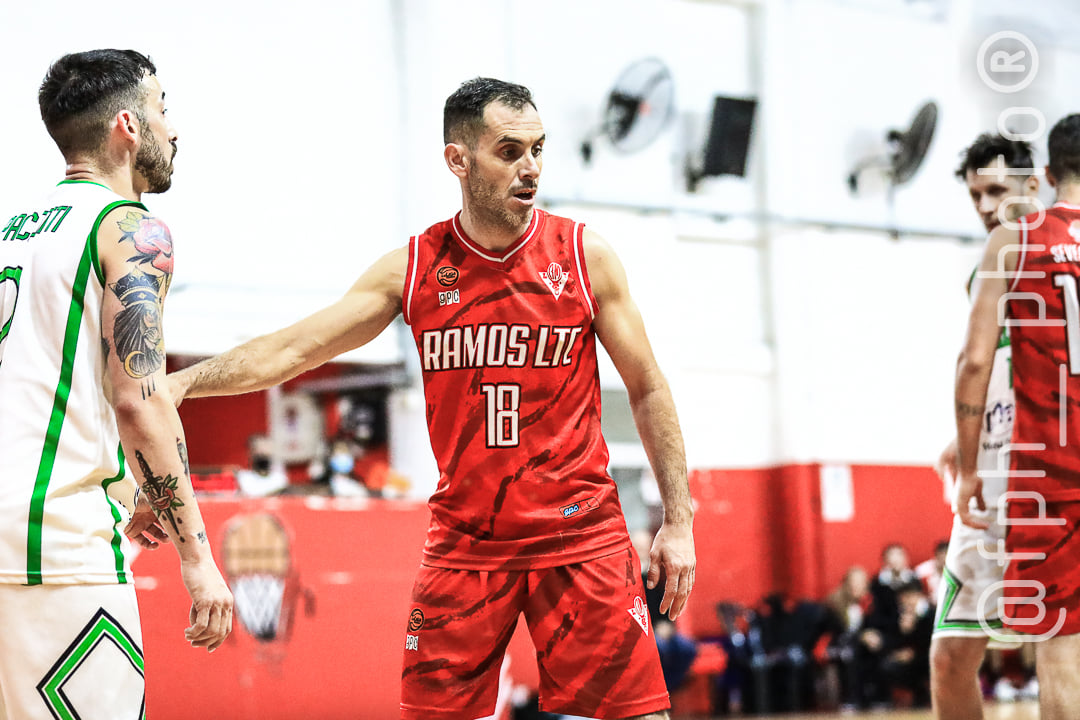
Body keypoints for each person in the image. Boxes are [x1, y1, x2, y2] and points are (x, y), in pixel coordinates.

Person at [168, 77, 695, 720]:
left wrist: (679, 519)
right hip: (465, 545)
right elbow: (295, 349)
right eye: (509, 151)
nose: (530, 168)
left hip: (580, 538)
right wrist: (187, 380)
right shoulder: (414, 268)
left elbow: (647, 387)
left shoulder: (585, 257)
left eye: (538, 149)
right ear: (458, 160)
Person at [0, 49, 232, 718]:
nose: (174, 129)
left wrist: (135, 488)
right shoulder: (129, 229)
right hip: (58, 547)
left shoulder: (12, 235)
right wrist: (197, 556)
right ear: (127, 126)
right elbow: (140, 397)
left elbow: (47, 395)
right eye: (164, 108)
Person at [956, 114, 1080, 720]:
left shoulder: (1019, 238)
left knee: (1060, 650)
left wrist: (968, 464)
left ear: (1048, 178)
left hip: (1051, 470)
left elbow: (974, 360)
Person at [933, 132, 1041, 720]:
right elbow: (994, 367)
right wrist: (966, 439)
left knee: (1059, 658)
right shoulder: (990, 262)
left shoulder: (1054, 256)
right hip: (991, 484)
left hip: (1047, 480)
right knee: (950, 658)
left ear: (1036, 183)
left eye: (995, 190)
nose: (983, 205)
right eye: (974, 193)